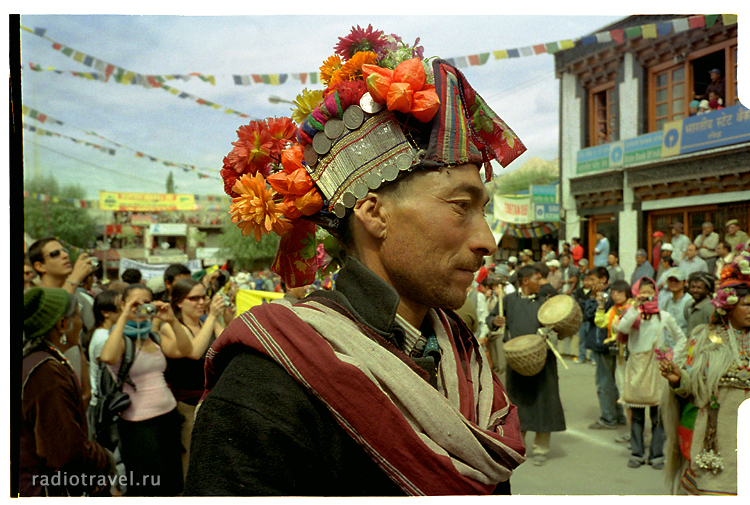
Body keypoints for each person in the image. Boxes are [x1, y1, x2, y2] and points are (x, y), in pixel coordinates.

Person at [186, 31, 527, 496]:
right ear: (373, 213)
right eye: (460, 206)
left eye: (483, 210)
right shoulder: (266, 383)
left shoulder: (461, 355)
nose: (487, 240)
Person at [660, 250, 750, 495]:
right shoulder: (705, 339)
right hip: (719, 430)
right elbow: (692, 384)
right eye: (747, 305)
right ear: (729, 306)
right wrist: (678, 379)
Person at [99, 283, 193, 496]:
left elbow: (186, 349)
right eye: (135, 303)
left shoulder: (154, 336)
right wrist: (124, 316)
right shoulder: (120, 339)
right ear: (123, 305)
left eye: (146, 303)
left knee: (172, 484)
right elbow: (107, 357)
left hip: (168, 418)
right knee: (148, 488)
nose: (141, 308)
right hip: (138, 426)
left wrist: (171, 319)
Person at [21, 287, 115, 496]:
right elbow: (65, 450)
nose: (81, 323)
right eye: (78, 317)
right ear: (63, 324)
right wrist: (104, 459)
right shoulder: (45, 371)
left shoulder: (39, 361)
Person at [496, 265, 566, 466]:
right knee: (519, 404)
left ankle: (541, 448)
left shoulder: (545, 302)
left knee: (545, 402)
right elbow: (492, 318)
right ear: (525, 281)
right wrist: (496, 320)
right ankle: (519, 445)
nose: (542, 282)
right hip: (517, 361)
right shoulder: (508, 301)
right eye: (537, 278)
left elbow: (560, 324)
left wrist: (552, 332)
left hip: (543, 359)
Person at [613, 277, 686, 470]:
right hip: (636, 368)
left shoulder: (663, 316)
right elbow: (621, 328)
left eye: (649, 291)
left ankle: (656, 455)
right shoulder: (631, 313)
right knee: (636, 416)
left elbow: (681, 339)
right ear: (636, 293)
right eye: (642, 291)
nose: (646, 295)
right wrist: (635, 308)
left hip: (657, 370)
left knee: (658, 415)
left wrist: (670, 356)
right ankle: (637, 453)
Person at [166, 278, 227, 482]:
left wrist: (223, 316)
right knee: (189, 457)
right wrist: (211, 318)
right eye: (194, 298)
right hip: (186, 405)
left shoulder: (206, 322)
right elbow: (194, 352)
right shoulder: (172, 326)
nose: (201, 302)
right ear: (179, 302)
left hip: (210, 401)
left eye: (203, 297)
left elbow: (228, 341)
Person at [28, 237, 96, 407]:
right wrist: (74, 278)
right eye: (54, 254)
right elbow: (52, 317)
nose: (65, 256)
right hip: (51, 387)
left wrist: (86, 389)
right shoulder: (35, 299)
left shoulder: (80, 297)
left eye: (64, 251)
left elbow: (77, 344)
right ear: (39, 266)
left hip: (77, 387)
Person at [584, 268, 628, 429]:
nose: (590, 283)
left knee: (604, 381)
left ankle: (608, 418)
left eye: (593, 279)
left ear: (603, 280)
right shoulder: (612, 295)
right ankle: (618, 415)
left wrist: (592, 299)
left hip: (603, 342)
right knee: (612, 380)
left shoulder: (604, 296)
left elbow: (589, 314)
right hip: (609, 342)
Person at [592, 279, 632, 429]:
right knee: (619, 384)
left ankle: (631, 428)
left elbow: (627, 327)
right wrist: (601, 307)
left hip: (629, 352)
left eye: (620, 292)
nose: (616, 296)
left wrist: (612, 338)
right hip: (618, 351)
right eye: (613, 293)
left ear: (627, 293)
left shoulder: (631, 308)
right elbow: (601, 322)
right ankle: (623, 419)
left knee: (625, 387)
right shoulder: (615, 309)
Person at [659, 267, 691, 336]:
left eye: (677, 280)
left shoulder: (689, 302)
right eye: (670, 280)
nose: (673, 283)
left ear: (685, 283)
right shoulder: (666, 301)